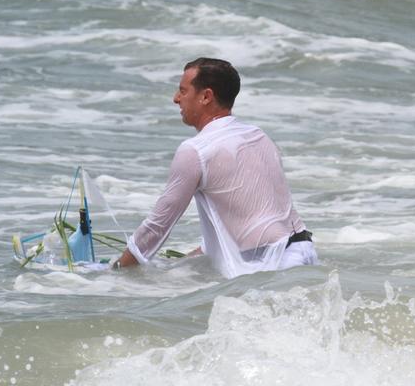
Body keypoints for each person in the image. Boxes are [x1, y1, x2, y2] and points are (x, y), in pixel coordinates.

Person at [113, 58, 318, 278]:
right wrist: (178, 263)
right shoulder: (258, 135)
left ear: (206, 96)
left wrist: (114, 271)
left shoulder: (196, 150)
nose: (176, 99)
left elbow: (157, 227)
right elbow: (242, 223)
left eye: (183, 91)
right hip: (305, 253)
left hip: (270, 265)